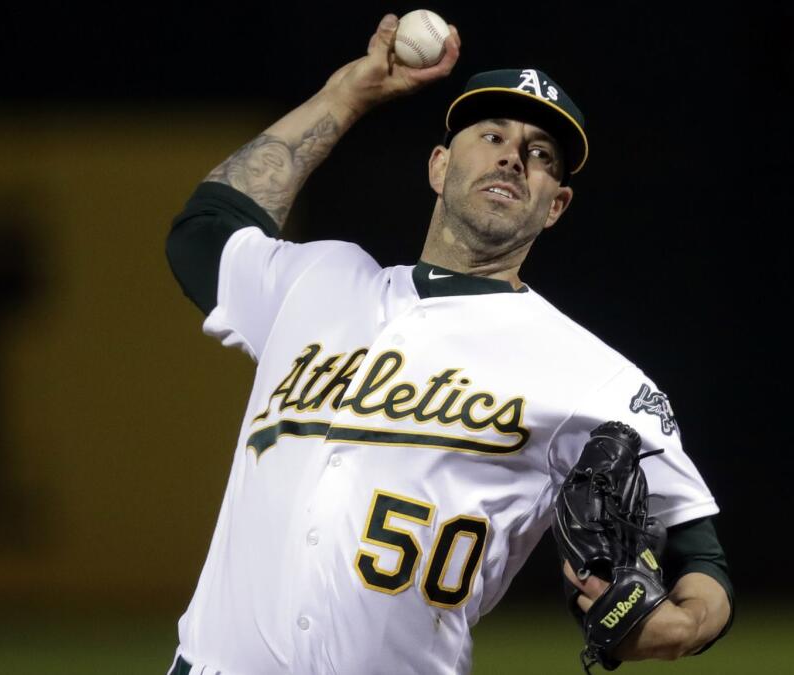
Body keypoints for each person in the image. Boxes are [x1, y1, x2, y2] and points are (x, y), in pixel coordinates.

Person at [163, 13, 732, 675]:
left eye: (542, 154)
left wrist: (678, 623)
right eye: (492, 134)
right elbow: (204, 229)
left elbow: (702, 559)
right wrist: (348, 95)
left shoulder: (593, 378)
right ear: (438, 166)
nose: (514, 155)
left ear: (556, 205)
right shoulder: (318, 282)